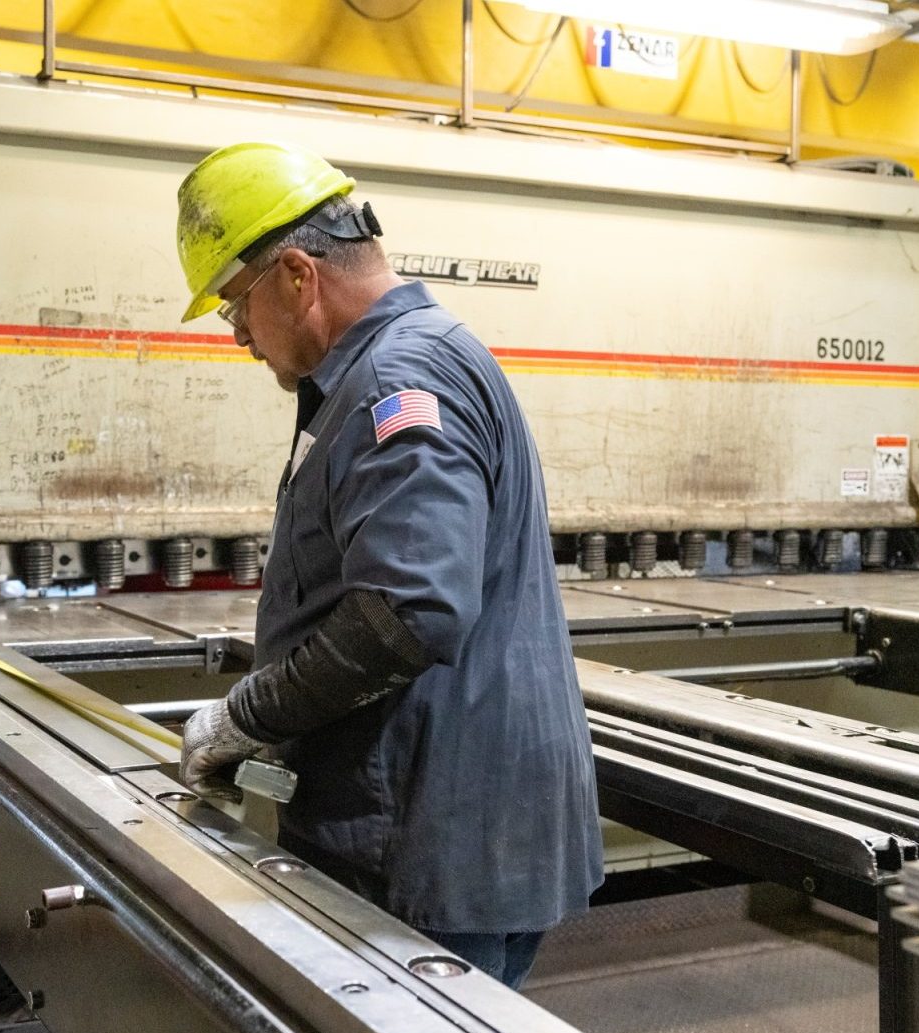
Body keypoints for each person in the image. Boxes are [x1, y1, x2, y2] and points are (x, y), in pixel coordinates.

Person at [172, 142, 603, 990]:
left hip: (434, 833)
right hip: (451, 817)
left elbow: (409, 610)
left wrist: (245, 715)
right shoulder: (406, 360)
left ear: (297, 275)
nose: (237, 336)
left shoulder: (395, 380)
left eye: (234, 305)